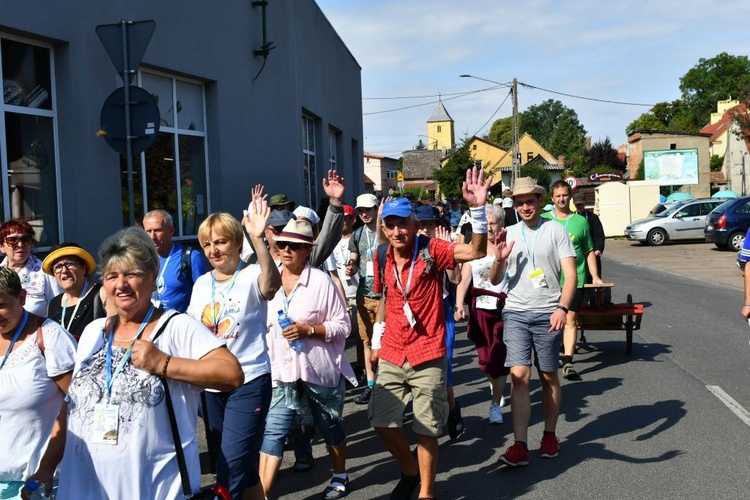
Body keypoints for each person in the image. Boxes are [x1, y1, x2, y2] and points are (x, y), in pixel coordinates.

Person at [56, 228, 244, 499]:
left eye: (131, 274)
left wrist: (163, 362)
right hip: (84, 486)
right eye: (112, 276)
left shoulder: (175, 327)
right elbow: (71, 405)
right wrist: (47, 466)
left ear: (152, 276)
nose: (121, 284)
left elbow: (231, 373)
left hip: (151, 487)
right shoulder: (93, 333)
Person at [369, 167, 491, 500]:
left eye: (403, 223)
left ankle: (426, 492)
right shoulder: (382, 256)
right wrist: (377, 342)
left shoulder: (431, 248)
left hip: (427, 351)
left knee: (425, 430)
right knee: (382, 422)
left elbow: (476, 252)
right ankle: (409, 470)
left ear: (414, 225)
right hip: (393, 350)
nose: (397, 231)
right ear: (384, 227)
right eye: (390, 224)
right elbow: (384, 299)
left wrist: (478, 210)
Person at [187, 204, 281, 500]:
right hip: (211, 386)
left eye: (220, 242)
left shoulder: (252, 274)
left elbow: (271, 285)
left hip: (248, 381)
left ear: (237, 243)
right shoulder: (202, 284)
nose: (213, 250)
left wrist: (258, 238)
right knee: (241, 466)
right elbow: (190, 331)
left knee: (229, 470)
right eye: (207, 244)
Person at [258, 219, 356, 499]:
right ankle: (263, 494)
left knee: (330, 426)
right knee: (273, 432)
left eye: (295, 246)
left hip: (318, 370)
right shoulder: (267, 281)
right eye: (282, 244)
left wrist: (309, 329)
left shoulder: (321, 282)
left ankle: (340, 475)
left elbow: (343, 326)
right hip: (281, 371)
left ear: (306, 250)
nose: (287, 250)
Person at [490, 177, 576, 467]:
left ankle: (549, 435)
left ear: (540, 201)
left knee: (549, 375)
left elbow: (571, 275)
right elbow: (495, 280)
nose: (525, 206)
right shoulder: (508, 233)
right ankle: (519, 445)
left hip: (548, 313)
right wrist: (499, 259)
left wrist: (563, 307)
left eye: (530, 201)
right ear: (514, 205)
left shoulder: (555, 230)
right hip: (515, 312)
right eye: (519, 202)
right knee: (519, 377)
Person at [0, 267, 76, 499]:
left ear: (22, 298)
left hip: (36, 484)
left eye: (1, 304)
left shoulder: (51, 338)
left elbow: (78, 405)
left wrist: (46, 468)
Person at [454, 203, 510, 425]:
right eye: (486, 224)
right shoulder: (474, 248)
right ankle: (494, 382)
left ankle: (495, 405)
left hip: (504, 309)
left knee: (498, 356)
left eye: (493, 223)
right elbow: (465, 278)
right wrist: (459, 303)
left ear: (501, 224)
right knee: (485, 360)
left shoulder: (508, 246)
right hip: (479, 309)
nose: (489, 228)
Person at [542, 181, 603, 381]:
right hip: (549, 280)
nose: (561, 199)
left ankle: (568, 361)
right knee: (552, 319)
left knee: (570, 318)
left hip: (574, 279)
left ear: (570, 197)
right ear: (552, 198)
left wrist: (594, 276)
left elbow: (588, 252)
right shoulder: (543, 221)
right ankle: (558, 349)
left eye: (564, 195)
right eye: (557, 195)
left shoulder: (580, 222)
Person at [414, 204, 463, 439]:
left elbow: (456, 278)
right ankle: (426, 430)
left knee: (445, 370)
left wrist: (449, 251)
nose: (425, 230)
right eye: (421, 225)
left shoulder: (441, 247)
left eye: (430, 225)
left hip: (441, 312)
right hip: (414, 316)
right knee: (418, 373)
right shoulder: (407, 248)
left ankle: (452, 409)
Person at [345, 193, 382, 405]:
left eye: (368, 209)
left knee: (384, 342)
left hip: (385, 296)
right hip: (363, 293)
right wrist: (351, 267)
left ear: (377, 209)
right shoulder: (357, 235)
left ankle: (387, 385)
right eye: (361, 210)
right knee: (366, 340)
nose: (364, 214)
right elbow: (354, 259)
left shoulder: (385, 232)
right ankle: (370, 385)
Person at [43, 243, 113, 340]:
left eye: (69, 264)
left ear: (83, 268)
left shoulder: (102, 294)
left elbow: (117, 335)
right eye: (58, 267)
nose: (64, 270)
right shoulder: (53, 304)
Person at [143, 209, 208, 312]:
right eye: (148, 231)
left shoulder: (191, 257)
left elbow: (205, 297)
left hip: (181, 325)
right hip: (150, 324)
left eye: (157, 230)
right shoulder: (141, 259)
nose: (152, 236)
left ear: (171, 231)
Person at [0, 219, 61, 316]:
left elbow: (58, 306)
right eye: (12, 240)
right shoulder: (1, 271)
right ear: (1, 246)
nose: (20, 245)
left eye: (25, 240)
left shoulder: (44, 271)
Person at [574, 195, 608, 302]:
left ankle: (595, 303)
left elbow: (599, 235)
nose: (579, 206)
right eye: (577, 204)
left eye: (581, 204)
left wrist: (598, 249)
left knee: (594, 280)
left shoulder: (593, 218)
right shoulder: (572, 219)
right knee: (580, 281)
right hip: (578, 257)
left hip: (592, 254)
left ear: (584, 202)